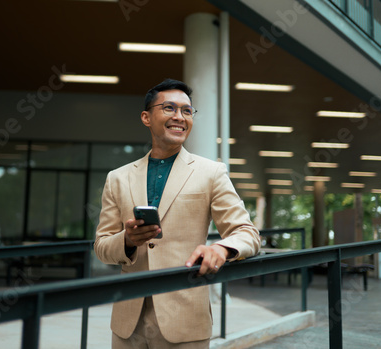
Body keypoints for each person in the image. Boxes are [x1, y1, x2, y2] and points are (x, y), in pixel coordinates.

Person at [94, 78, 261, 348]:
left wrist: (221, 249)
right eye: (169, 108)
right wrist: (127, 240)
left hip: (184, 320)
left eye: (187, 110)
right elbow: (101, 247)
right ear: (146, 117)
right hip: (127, 323)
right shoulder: (118, 178)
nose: (180, 117)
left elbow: (247, 233)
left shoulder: (211, 173)